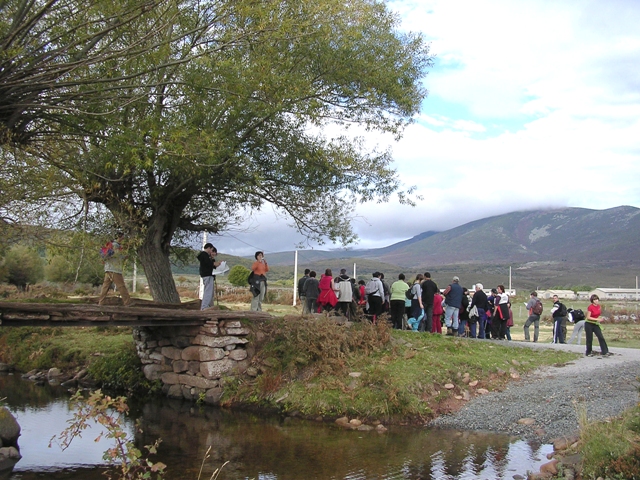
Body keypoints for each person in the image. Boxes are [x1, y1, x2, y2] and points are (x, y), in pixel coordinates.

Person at [98, 232, 132, 306]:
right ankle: (128, 303)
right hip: (115, 269)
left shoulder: (109, 245)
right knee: (121, 286)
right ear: (119, 237)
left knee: (105, 287)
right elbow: (118, 256)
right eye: (122, 237)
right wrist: (125, 256)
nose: (123, 239)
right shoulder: (116, 246)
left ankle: (101, 303)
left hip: (108, 269)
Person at [197, 243, 221, 310]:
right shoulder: (204, 255)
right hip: (207, 275)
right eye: (211, 250)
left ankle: (210, 306)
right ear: (209, 248)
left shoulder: (204, 256)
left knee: (210, 293)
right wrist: (214, 263)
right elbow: (208, 263)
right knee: (208, 292)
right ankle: (204, 307)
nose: (211, 252)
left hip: (207, 275)